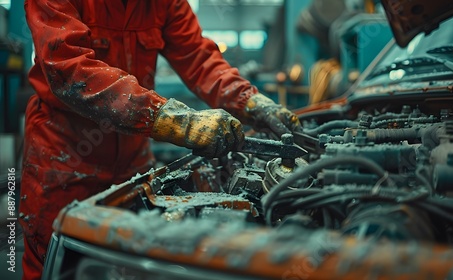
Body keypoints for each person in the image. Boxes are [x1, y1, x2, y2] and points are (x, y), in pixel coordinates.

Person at [20, 0, 301, 278]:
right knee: (56, 263)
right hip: (64, 156)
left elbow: (197, 57)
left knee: (131, 265)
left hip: (133, 158)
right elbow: (69, 68)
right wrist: (177, 120)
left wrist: (250, 100)